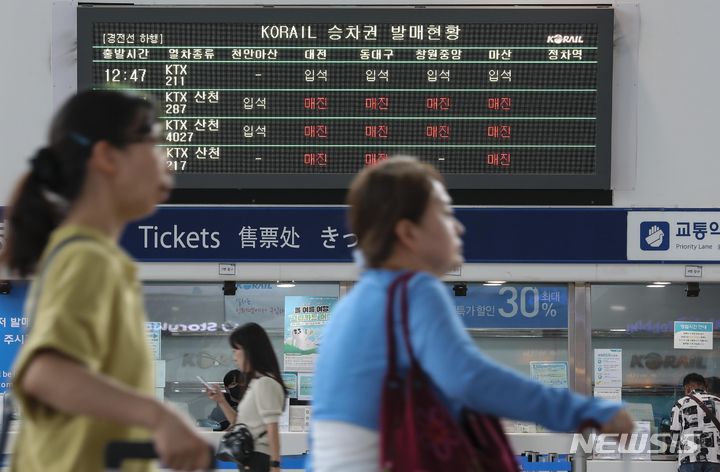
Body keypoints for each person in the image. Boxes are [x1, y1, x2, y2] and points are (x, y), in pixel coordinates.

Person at [309, 157, 635, 472]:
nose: (459, 226)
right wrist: (589, 412)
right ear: (408, 233)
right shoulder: (413, 289)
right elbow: (469, 378)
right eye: (445, 213)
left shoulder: (350, 306)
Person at [0, 90, 210, 471]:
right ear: (107, 157)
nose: (167, 160)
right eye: (154, 141)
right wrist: (160, 417)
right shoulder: (87, 259)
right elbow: (45, 373)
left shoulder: (92, 257)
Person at [207, 323, 286, 471]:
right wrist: (221, 400)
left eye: (236, 350)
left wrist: (275, 465)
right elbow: (239, 424)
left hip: (260, 460)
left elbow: (272, 427)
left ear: (251, 351)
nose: (234, 357)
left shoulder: (266, 383)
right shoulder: (254, 384)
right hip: (248, 459)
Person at [670, 373, 720, 471]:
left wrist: (673, 451)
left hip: (690, 459)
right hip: (715, 459)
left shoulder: (680, 404)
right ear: (705, 387)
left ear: (687, 388)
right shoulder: (718, 402)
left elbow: (675, 434)